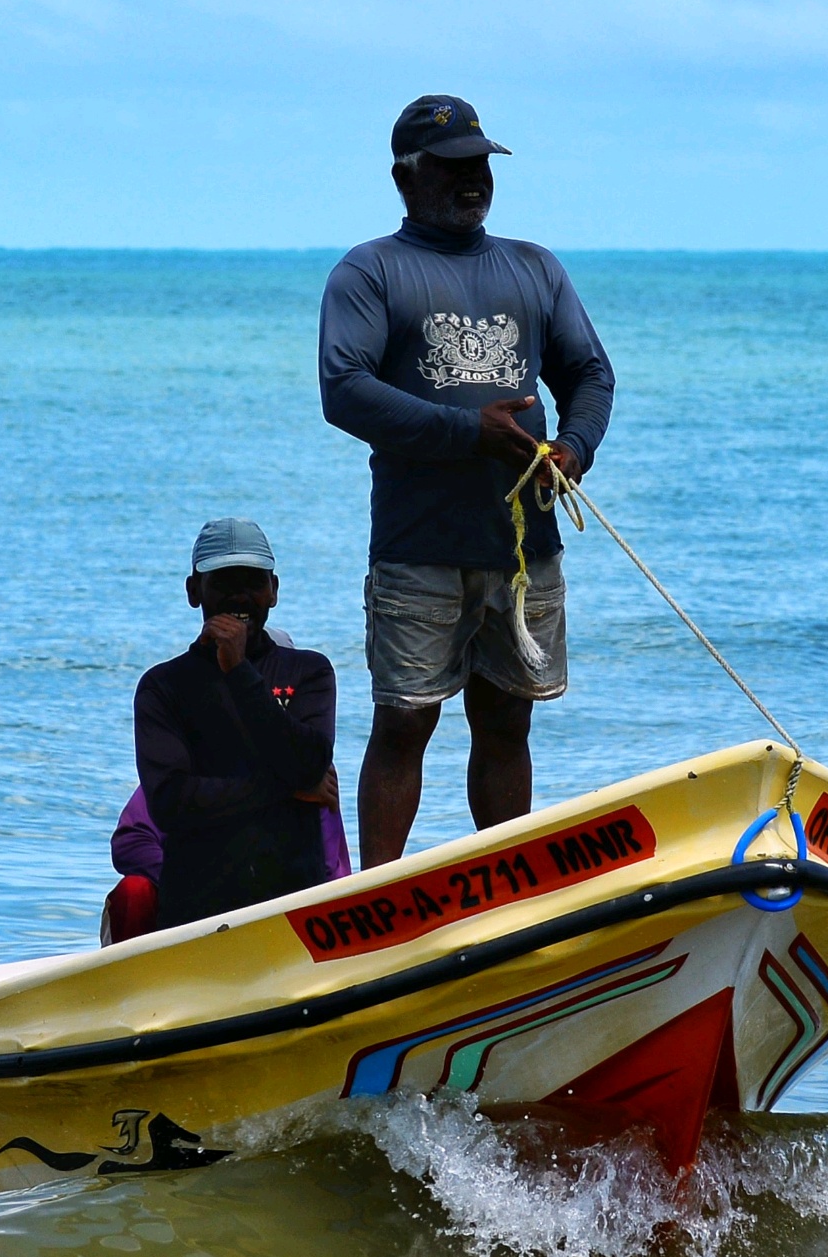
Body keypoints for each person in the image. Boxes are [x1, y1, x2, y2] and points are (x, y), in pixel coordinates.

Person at [319, 94, 616, 867]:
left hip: (523, 546)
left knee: (507, 720)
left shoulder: (534, 266)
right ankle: (379, 894)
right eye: (452, 167)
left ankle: (506, 886)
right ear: (405, 177)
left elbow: (588, 373)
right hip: (418, 543)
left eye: (481, 164)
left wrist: (573, 448)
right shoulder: (370, 270)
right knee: (405, 721)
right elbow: (344, 390)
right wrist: (467, 431)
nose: (472, 179)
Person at [129, 518, 344, 929]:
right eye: (224, 583)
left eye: (253, 582)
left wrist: (240, 672)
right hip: (198, 914)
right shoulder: (162, 687)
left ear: (273, 590)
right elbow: (172, 803)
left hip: (296, 907)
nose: (240, 595)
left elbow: (308, 762)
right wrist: (287, 790)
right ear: (194, 591)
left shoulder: (309, 671)